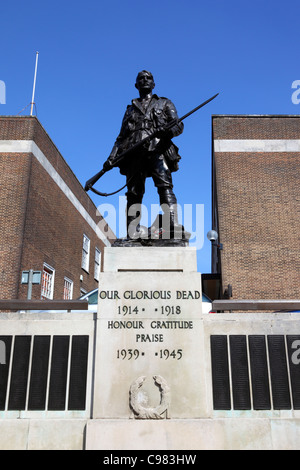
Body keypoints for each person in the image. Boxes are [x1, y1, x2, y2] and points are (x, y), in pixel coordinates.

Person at [103, 70, 184, 240]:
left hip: (157, 149)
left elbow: (178, 126)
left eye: (149, 78)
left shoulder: (164, 103)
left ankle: (173, 225)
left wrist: (167, 132)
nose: (145, 80)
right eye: (141, 78)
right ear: (136, 85)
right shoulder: (130, 109)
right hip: (134, 153)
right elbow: (121, 137)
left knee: (165, 187)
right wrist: (111, 158)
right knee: (134, 193)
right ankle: (133, 232)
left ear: (154, 84)